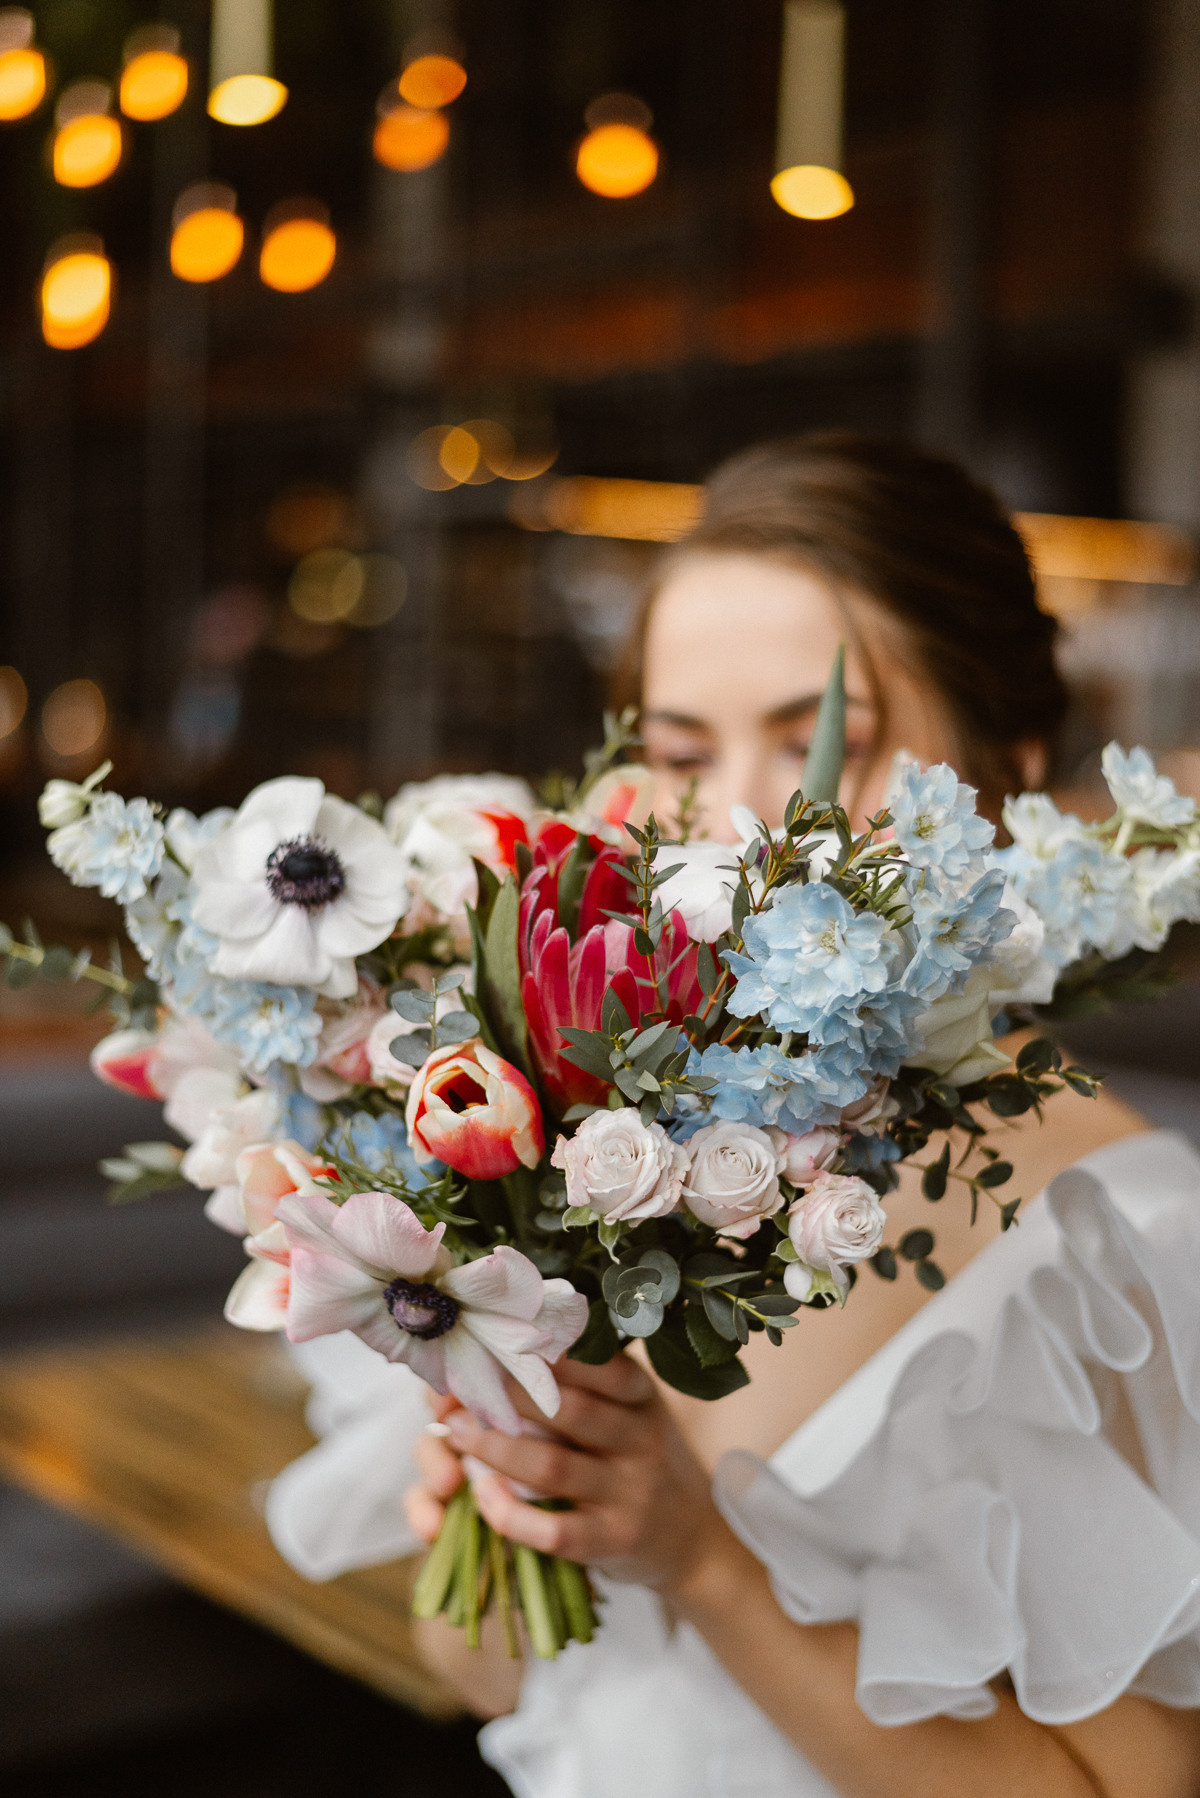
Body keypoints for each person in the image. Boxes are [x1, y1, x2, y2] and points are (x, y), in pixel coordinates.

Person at [403, 435, 1200, 1797]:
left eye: (825, 739)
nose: (744, 820)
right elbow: (483, 1673)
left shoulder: (1127, 1238)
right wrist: (502, 1522)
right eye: (683, 751)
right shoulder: (610, 1148)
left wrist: (705, 1562)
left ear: (1001, 772)